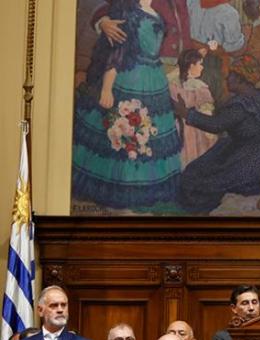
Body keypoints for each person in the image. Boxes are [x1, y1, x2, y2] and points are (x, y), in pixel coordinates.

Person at [72, 0, 183, 210]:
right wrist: (106, 89)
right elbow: (118, 55)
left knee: (149, 136)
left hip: (154, 79)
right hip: (130, 78)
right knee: (123, 134)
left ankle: (145, 188)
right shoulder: (128, 14)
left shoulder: (158, 12)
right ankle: (122, 188)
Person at [174, 54, 260, 213]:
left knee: (196, 177)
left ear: (239, 78)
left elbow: (215, 125)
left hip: (252, 158)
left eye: (230, 75)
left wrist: (186, 113)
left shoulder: (239, 105)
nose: (226, 79)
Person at [167, 49, 218, 168]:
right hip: (183, 127)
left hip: (196, 127)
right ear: (191, 65)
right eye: (200, 64)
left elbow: (207, 108)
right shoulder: (175, 85)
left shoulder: (199, 87)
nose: (202, 68)